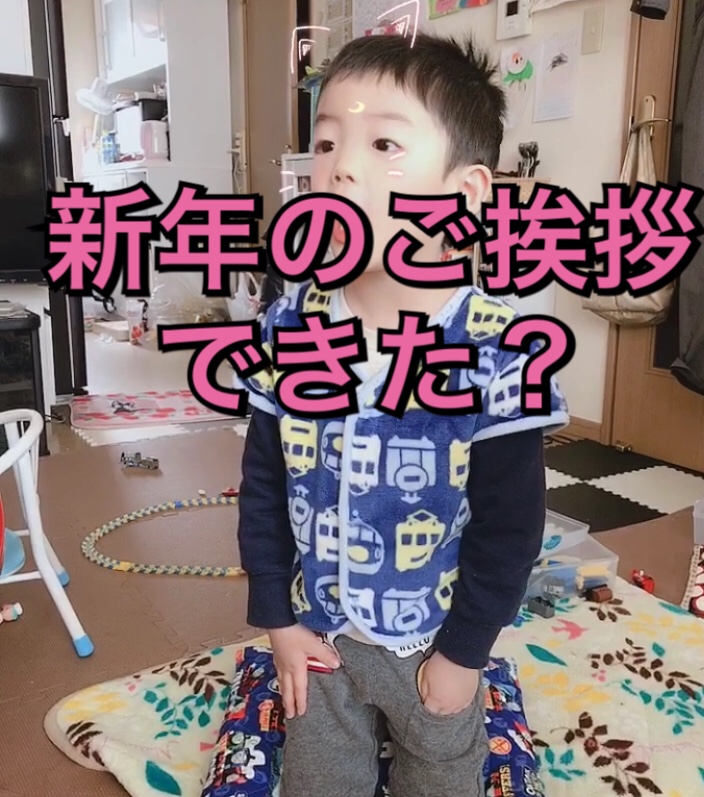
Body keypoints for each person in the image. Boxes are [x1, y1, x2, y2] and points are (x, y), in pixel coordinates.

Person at [237, 32, 569, 797]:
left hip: (431, 642)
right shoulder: (289, 329)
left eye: (383, 143)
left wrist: (464, 653)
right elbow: (262, 486)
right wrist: (277, 620)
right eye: (326, 143)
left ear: (466, 193)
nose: (340, 167)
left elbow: (509, 527)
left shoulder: (497, 351)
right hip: (319, 637)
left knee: (443, 775)